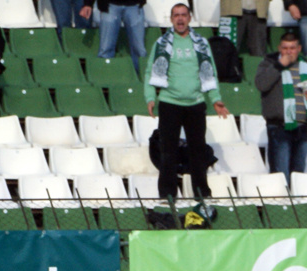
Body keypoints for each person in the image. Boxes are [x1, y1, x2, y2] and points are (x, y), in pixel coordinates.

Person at [145, 4, 229, 211]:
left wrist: (215, 98)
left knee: (198, 150)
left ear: (190, 18)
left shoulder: (201, 43)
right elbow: (150, 72)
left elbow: (210, 72)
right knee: (168, 151)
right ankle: (167, 195)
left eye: (184, 15)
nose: (180, 19)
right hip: (169, 102)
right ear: (171, 19)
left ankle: (202, 193)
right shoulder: (161, 43)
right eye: (176, 16)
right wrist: (150, 97)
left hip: (195, 103)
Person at [256, 30, 307, 177]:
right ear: (279, 48)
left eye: (292, 48)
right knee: (280, 176)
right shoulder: (268, 64)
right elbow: (261, 84)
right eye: (285, 48)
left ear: (299, 49)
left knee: (298, 175)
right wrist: (279, 65)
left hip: (303, 127)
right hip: (279, 127)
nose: (289, 52)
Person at [87, 0, 147, 74]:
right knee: (105, 49)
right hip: (109, 5)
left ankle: (141, 79)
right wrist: (88, 4)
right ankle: (105, 77)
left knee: (139, 49)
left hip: (134, 6)